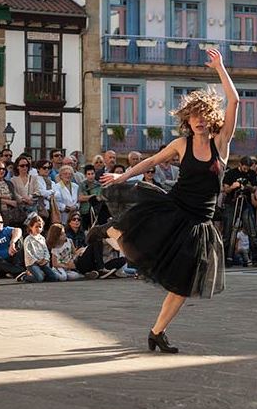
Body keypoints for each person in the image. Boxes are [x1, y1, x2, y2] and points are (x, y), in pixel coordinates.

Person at [100, 47, 237, 354]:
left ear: (211, 118)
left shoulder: (221, 143)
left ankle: (157, 332)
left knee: (183, 285)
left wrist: (220, 68)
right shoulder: (180, 144)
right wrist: (121, 177)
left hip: (200, 222)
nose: (199, 121)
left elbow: (236, 101)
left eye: (204, 116)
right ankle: (109, 233)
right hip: (174, 210)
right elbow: (149, 162)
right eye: (193, 117)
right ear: (187, 121)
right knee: (139, 238)